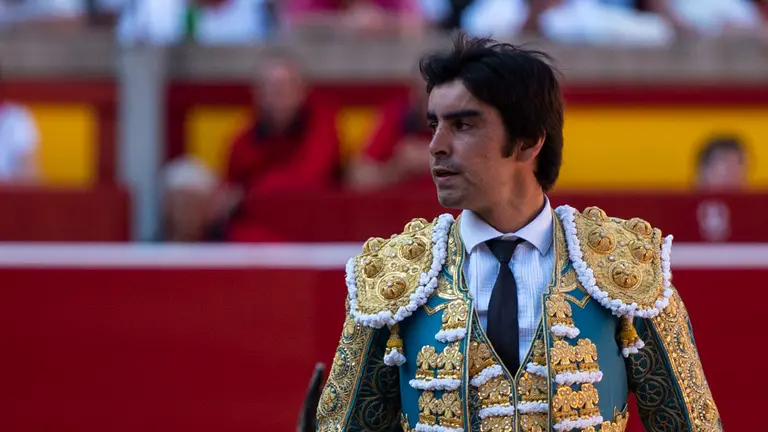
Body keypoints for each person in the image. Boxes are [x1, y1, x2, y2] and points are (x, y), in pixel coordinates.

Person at [317, 33, 721, 431]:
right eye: (433, 123)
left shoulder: (625, 265)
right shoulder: (392, 276)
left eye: (463, 125)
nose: (435, 145)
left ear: (528, 143)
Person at [346, 80, 433, 192]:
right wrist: (398, 167)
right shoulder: (397, 114)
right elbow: (359, 176)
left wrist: (436, 159)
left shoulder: (458, 121)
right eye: (426, 95)